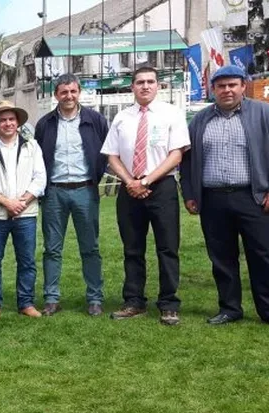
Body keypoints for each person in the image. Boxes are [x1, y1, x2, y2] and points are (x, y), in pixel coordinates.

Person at [181, 66, 269, 327]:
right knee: (221, 257)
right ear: (213, 90)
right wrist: (189, 193)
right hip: (213, 200)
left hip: (254, 198)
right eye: (221, 86)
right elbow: (186, 161)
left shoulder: (264, 113)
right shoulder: (200, 120)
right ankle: (230, 308)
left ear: (243, 86)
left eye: (232, 85)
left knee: (263, 255)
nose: (227, 90)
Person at [101, 66, 191, 325]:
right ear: (132, 87)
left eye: (150, 81)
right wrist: (131, 181)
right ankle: (133, 301)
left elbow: (176, 154)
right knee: (132, 248)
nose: (145, 86)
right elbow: (112, 155)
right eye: (140, 82)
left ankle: (169, 303)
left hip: (161, 187)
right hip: (129, 189)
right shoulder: (122, 117)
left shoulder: (172, 113)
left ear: (158, 86)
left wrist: (147, 180)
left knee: (167, 247)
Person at [34, 74, 110, 317]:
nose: (69, 96)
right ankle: (51, 298)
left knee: (90, 247)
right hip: (54, 192)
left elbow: (106, 152)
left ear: (79, 93)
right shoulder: (45, 124)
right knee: (52, 249)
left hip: (85, 190)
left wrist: (96, 179)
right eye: (64, 92)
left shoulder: (95, 120)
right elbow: (38, 158)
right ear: (56, 94)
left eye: (73, 91)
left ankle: (95, 298)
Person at [0, 101, 47, 318]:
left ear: (17, 122)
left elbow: (40, 178)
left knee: (27, 261)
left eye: (11, 119)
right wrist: (7, 203)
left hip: (26, 213)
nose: (8, 123)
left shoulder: (32, 147)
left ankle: (26, 303)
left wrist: (22, 201)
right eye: (3, 120)